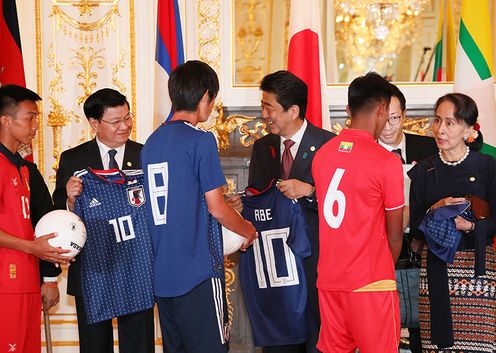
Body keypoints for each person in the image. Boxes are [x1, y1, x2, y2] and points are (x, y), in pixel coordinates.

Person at [141, 60, 257, 353]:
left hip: (163, 275)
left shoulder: (151, 143)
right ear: (205, 96)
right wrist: (246, 229)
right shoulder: (201, 140)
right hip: (198, 274)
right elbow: (216, 207)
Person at [52, 88, 154, 353]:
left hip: (136, 267)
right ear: (94, 123)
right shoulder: (73, 159)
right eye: (116, 121)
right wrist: (71, 201)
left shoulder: (147, 155)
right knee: (94, 343)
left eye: (128, 118)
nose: (125, 126)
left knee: (139, 343)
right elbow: (56, 213)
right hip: (92, 269)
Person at [243, 70, 334, 353]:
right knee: (280, 340)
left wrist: (309, 191)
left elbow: (340, 203)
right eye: (263, 106)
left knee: (316, 337)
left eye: (269, 107)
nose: (264, 114)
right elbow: (258, 198)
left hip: (316, 262)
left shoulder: (328, 145)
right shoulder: (262, 147)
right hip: (277, 267)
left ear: (293, 110)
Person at [312, 72, 404, 353]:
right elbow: (396, 233)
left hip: (329, 281)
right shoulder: (386, 162)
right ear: (381, 109)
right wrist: (383, 271)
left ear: (350, 109)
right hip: (371, 282)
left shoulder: (322, 154)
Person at [408, 93, 496, 352]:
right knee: (436, 346)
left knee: (479, 345)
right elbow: (413, 226)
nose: (440, 129)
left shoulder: (486, 166)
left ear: (469, 129)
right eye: (437, 121)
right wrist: (435, 210)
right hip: (435, 268)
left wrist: (470, 226)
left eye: (450, 122)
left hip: (478, 268)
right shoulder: (424, 170)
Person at [0, 84, 70, 353]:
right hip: (6, 283)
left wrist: (53, 257)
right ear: (6, 120)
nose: (36, 126)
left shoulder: (24, 168)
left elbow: (38, 221)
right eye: (30, 117)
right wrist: (33, 247)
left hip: (28, 282)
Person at [378, 84, 437, 353]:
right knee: (382, 326)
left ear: (405, 115)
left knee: (423, 325)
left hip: (423, 246)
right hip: (379, 250)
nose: (389, 126)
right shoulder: (365, 152)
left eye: (396, 118)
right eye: (384, 118)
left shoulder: (428, 147)